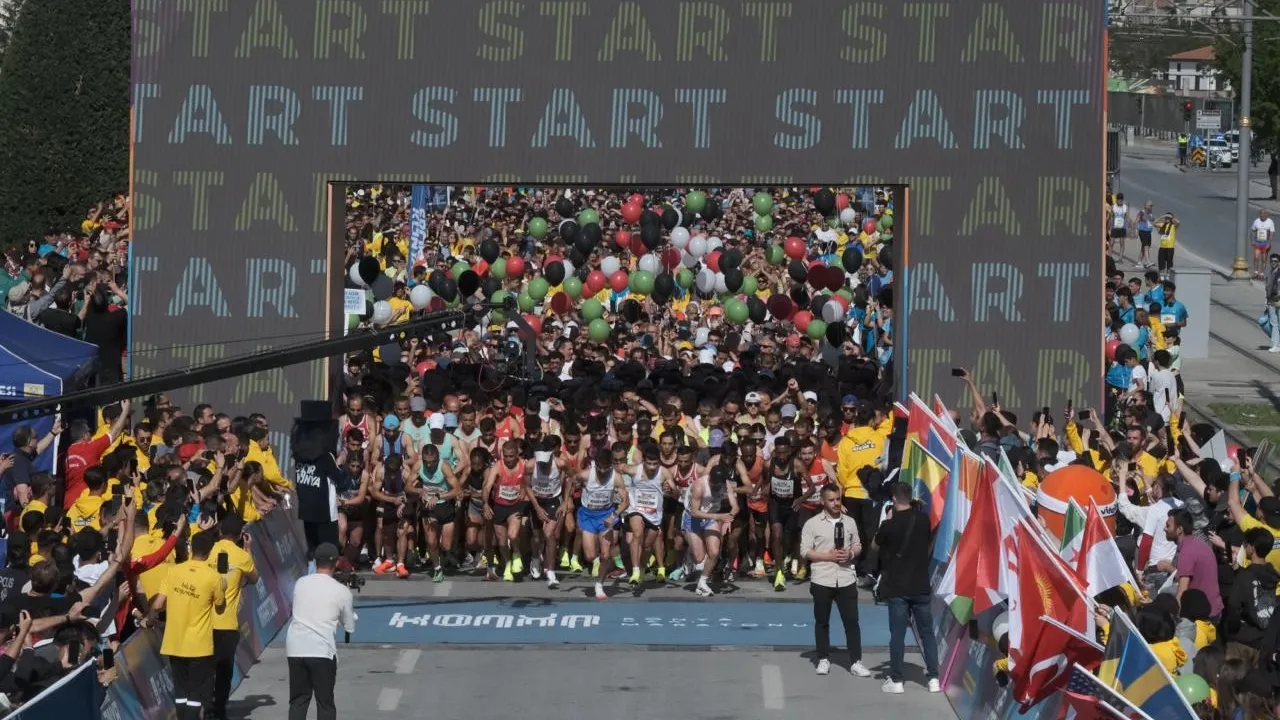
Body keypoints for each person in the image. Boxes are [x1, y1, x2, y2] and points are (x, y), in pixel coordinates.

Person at [147, 531, 227, 720]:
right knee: (194, 694)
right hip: (199, 646)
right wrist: (222, 588)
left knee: (180, 692)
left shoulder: (173, 571)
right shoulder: (213, 577)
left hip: (174, 642)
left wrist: (149, 619)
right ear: (209, 552)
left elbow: (157, 605)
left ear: (191, 548)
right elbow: (220, 608)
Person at [873, 483, 941, 694]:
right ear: (911, 497)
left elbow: (875, 546)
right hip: (920, 585)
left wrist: (886, 521)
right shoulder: (923, 520)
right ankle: (933, 678)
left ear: (894, 499)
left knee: (898, 634)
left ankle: (897, 679)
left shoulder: (889, 525)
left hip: (898, 588)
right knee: (927, 633)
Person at [800, 484, 870, 679]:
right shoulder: (812, 524)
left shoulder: (849, 522)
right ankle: (823, 658)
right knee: (822, 621)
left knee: (852, 622)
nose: (835, 503)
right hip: (822, 578)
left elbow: (858, 545)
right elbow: (805, 551)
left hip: (846, 578)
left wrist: (850, 553)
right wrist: (827, 556)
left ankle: (856, 661)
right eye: (831, 500)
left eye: (838, 499)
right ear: (822, 501)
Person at [286, 543, 356, 720]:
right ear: (337, 563)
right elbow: (349, 627)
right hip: (321, 651)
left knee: (298, 701)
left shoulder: (300, 583)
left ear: (315, 562)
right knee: (325, 703)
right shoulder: (342, 591)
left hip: (296, 649)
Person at [209, 515, 258, 720]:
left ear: (220, 531)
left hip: (203, 622)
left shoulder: (208, 550)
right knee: (224, 670)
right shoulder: (241, 556)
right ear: (239, 536)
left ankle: (206, 710)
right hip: (226, 624)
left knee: (205, 669)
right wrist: (248, 549)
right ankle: (219, 711)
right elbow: (254, 578)